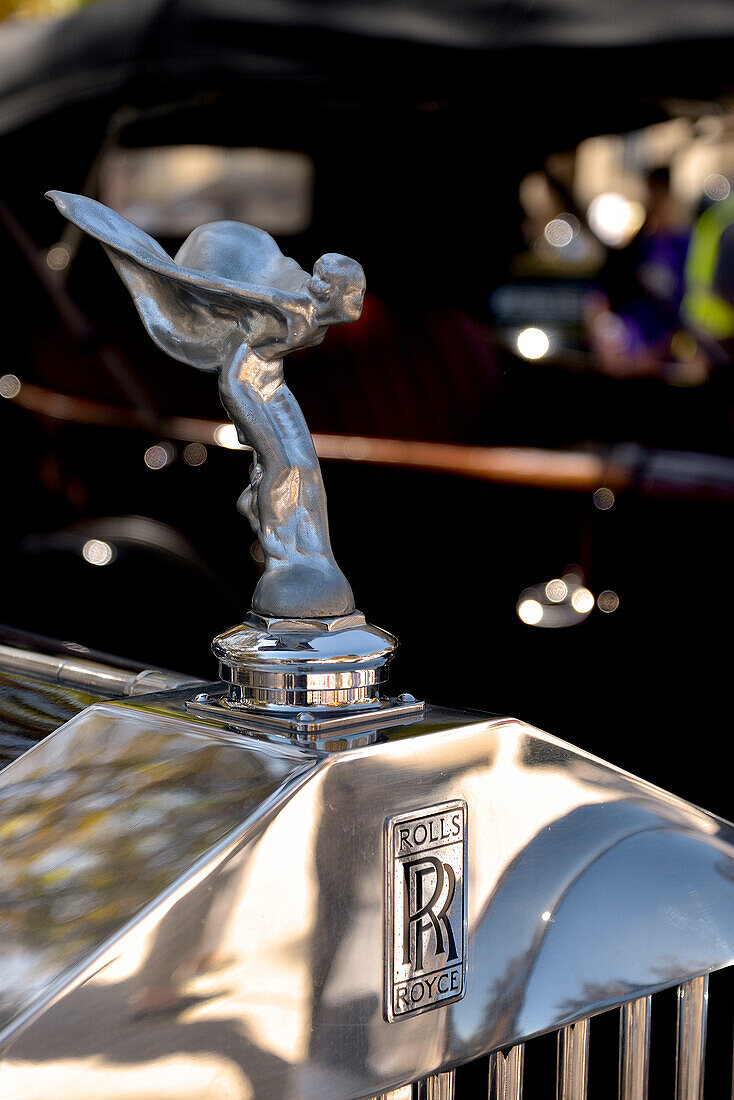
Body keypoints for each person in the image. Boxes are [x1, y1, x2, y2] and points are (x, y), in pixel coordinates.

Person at [47, 190, 366, 618]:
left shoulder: (303, 298)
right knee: (281, 466)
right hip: (246, 387)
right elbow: (232, 342)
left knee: (305, 468)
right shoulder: (287, 305)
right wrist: (263, 437)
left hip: (272, 387)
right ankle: (283, 551)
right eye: (349, 298)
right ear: (330, 292)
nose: (354, 309)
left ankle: (311, 558)